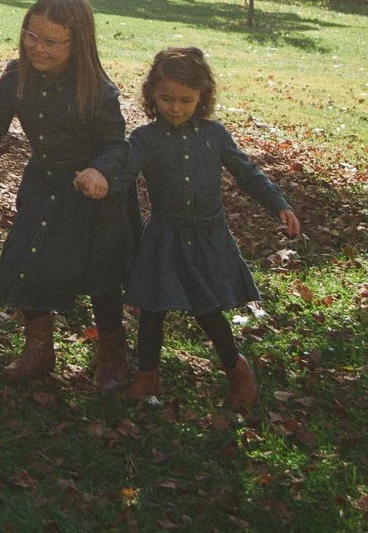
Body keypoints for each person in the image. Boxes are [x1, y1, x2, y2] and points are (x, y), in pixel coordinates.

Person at [122, 46, 301, 411]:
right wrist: (99, 178)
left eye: (186, 100)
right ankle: (146, 376)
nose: (175, 107)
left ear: (202, 97)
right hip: (164, 233)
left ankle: (236, 367)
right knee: (152, 307)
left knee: (207, 307)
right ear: (151, 94)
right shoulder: (145, 138)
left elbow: (248, 174)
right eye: (166, 98)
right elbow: (122, 167)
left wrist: (278, 204)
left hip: (206, 234)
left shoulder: (214, 135)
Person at [0, 0, 138, 391]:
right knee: (28, 258)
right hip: (44, 183)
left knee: (100, 276)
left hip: (93, 193)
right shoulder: (17, 75)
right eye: (31, 35)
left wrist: (100, 171)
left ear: (76, 43)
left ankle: (113, 356)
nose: (37, 47)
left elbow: (117, 145)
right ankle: (38, 351)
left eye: (50, 41)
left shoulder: (97, 90)